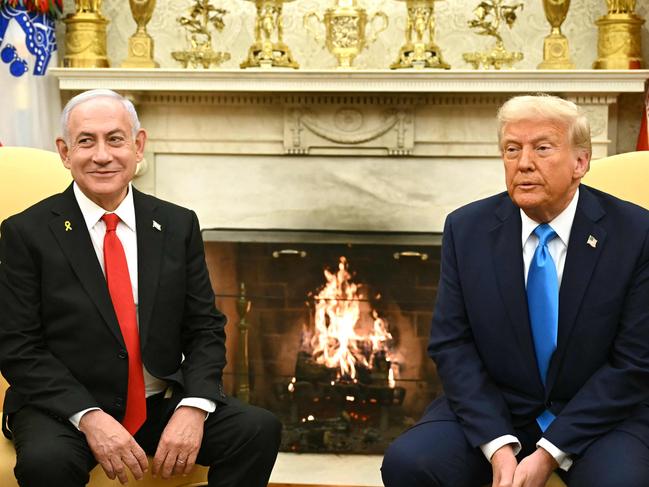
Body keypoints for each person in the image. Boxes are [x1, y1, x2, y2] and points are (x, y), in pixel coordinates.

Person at [0, 89, 281, 487]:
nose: (102, 155)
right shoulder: (26, 233)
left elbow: (204, 328)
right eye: (86, 141)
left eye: (115, 139)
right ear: (65, 152)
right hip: (62, 409)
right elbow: (18, 345)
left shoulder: (177, 225)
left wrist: (194, 406)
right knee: (48, 463)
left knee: (257, 429)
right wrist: (90, 416)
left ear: (138, 145)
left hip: (156, 405)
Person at [381, 94, 649, 487]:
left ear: (580, 162)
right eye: (511, 149)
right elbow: (452, 344)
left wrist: (548, 454)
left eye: (542, 148)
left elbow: (634, 363)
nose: (523, 162)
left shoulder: (635, 233)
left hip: (600, 415)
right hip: (499, 408)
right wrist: (497, 445)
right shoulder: (466, 229)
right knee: (410, 462)